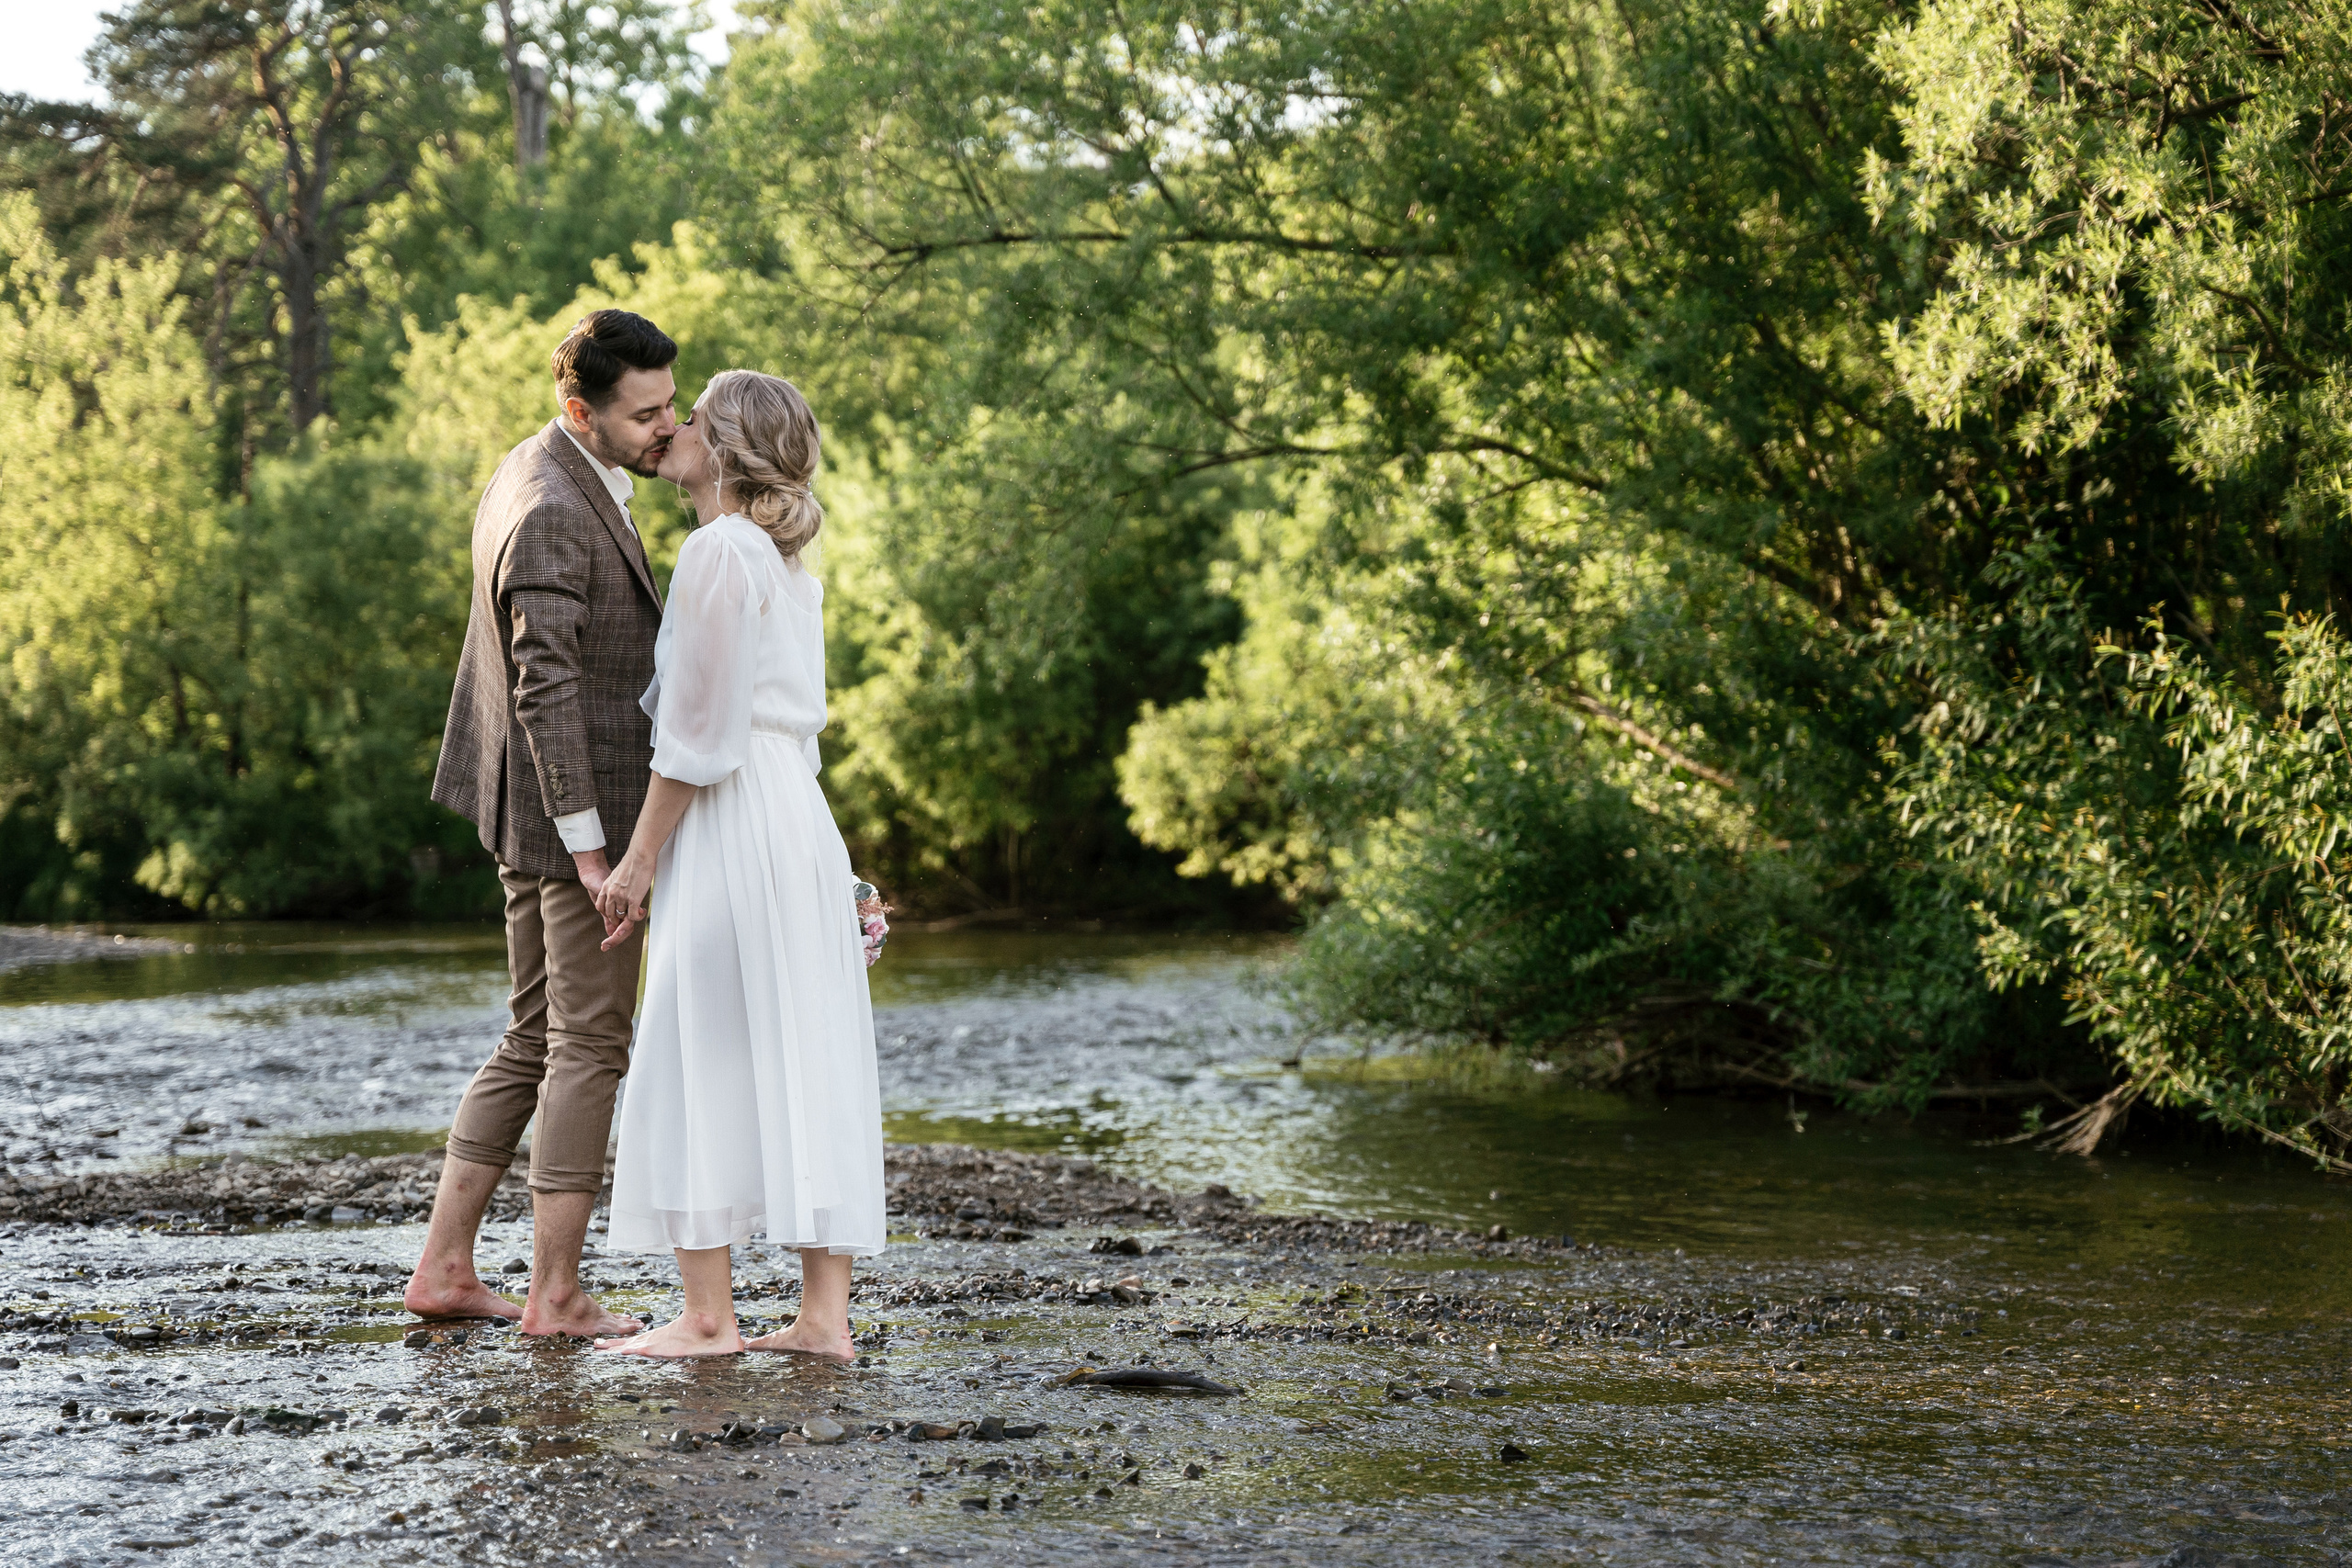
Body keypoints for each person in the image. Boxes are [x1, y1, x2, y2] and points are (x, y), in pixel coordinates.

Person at [589, 369, 887, 1359]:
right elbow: (791, 736)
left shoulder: (720, 550)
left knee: (699, 1039)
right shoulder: (787, 565)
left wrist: (635, 862)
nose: (671, 427)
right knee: (805, 1048)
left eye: (691, 417)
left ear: (721, 449)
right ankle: (823, 1319)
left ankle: (709, 1316)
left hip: (732, 817)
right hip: (795, 816)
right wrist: (838, 872)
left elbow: (698, 736)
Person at [403, 310, 678, 1337]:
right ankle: (557, 1295)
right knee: (591, 1046)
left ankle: (445, 1269)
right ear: (581, 410)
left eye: (670, 404)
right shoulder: (557, 507)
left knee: (533, 1038)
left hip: (529, 815)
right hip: (573, 827)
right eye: (645, 414)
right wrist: (598, 855)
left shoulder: (536, 463)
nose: (667, 427)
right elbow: (544, 688)